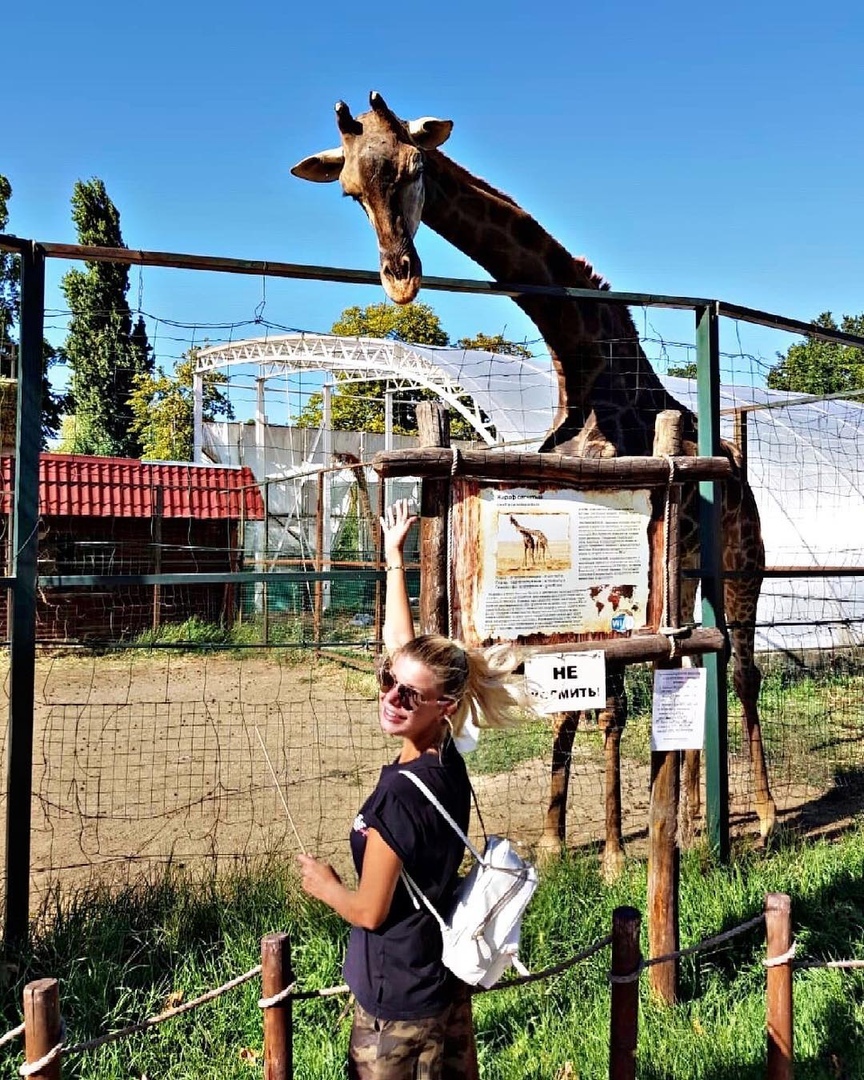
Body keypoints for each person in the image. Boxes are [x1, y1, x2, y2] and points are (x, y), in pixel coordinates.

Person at [297, 498, 527, 1079]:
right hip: (442, 975)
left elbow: (370, 912)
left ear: (444, 707)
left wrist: (324, 886)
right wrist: (395, 558)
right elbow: (406, 652)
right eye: (387, 683)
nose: (390, 698)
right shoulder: (448, 757)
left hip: (396, 1000)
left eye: (406, 696)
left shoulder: (398, 796)